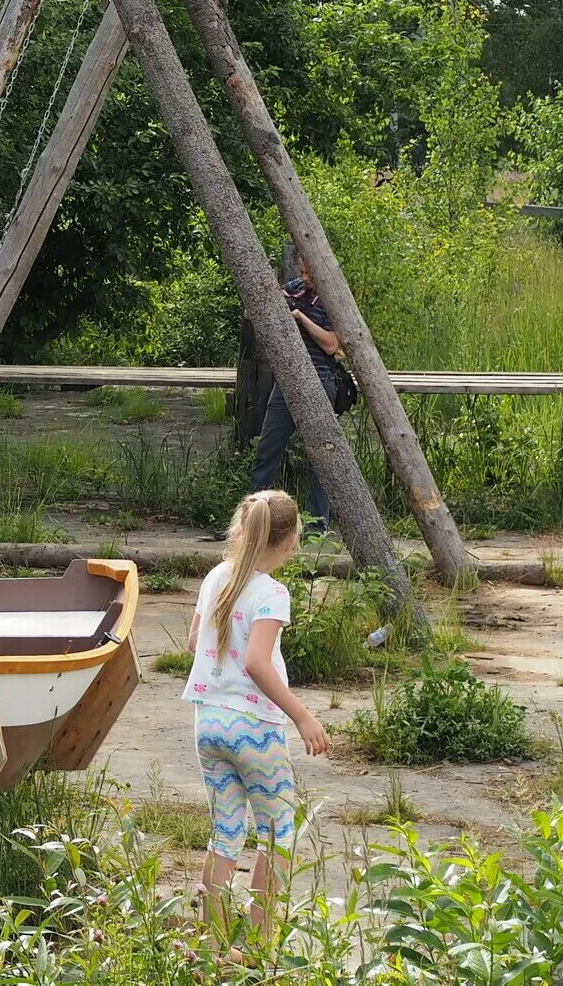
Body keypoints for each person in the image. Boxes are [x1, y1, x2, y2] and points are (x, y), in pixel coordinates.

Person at [184, 489, 331, 960]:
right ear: (289, 543)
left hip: (208, 721)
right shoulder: (271, 592)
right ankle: (258, 945)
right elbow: (256, 662)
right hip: (255, 729)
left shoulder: (215, 578)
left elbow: (193, 642)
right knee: (277, 832)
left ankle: (211, 942)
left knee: (225, 830)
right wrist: (303, 716)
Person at [248, 256, 356, 530]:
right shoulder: (296, 287)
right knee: (266, 450)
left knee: (320, 458)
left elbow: (332, 345)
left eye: (310, 273)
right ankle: (252, 521)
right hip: (286, 383)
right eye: (303, 271)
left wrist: (300, 317)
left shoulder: (335, 299)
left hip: (319, 382)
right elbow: (259, 310)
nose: (305, 277)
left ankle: (316, 527)